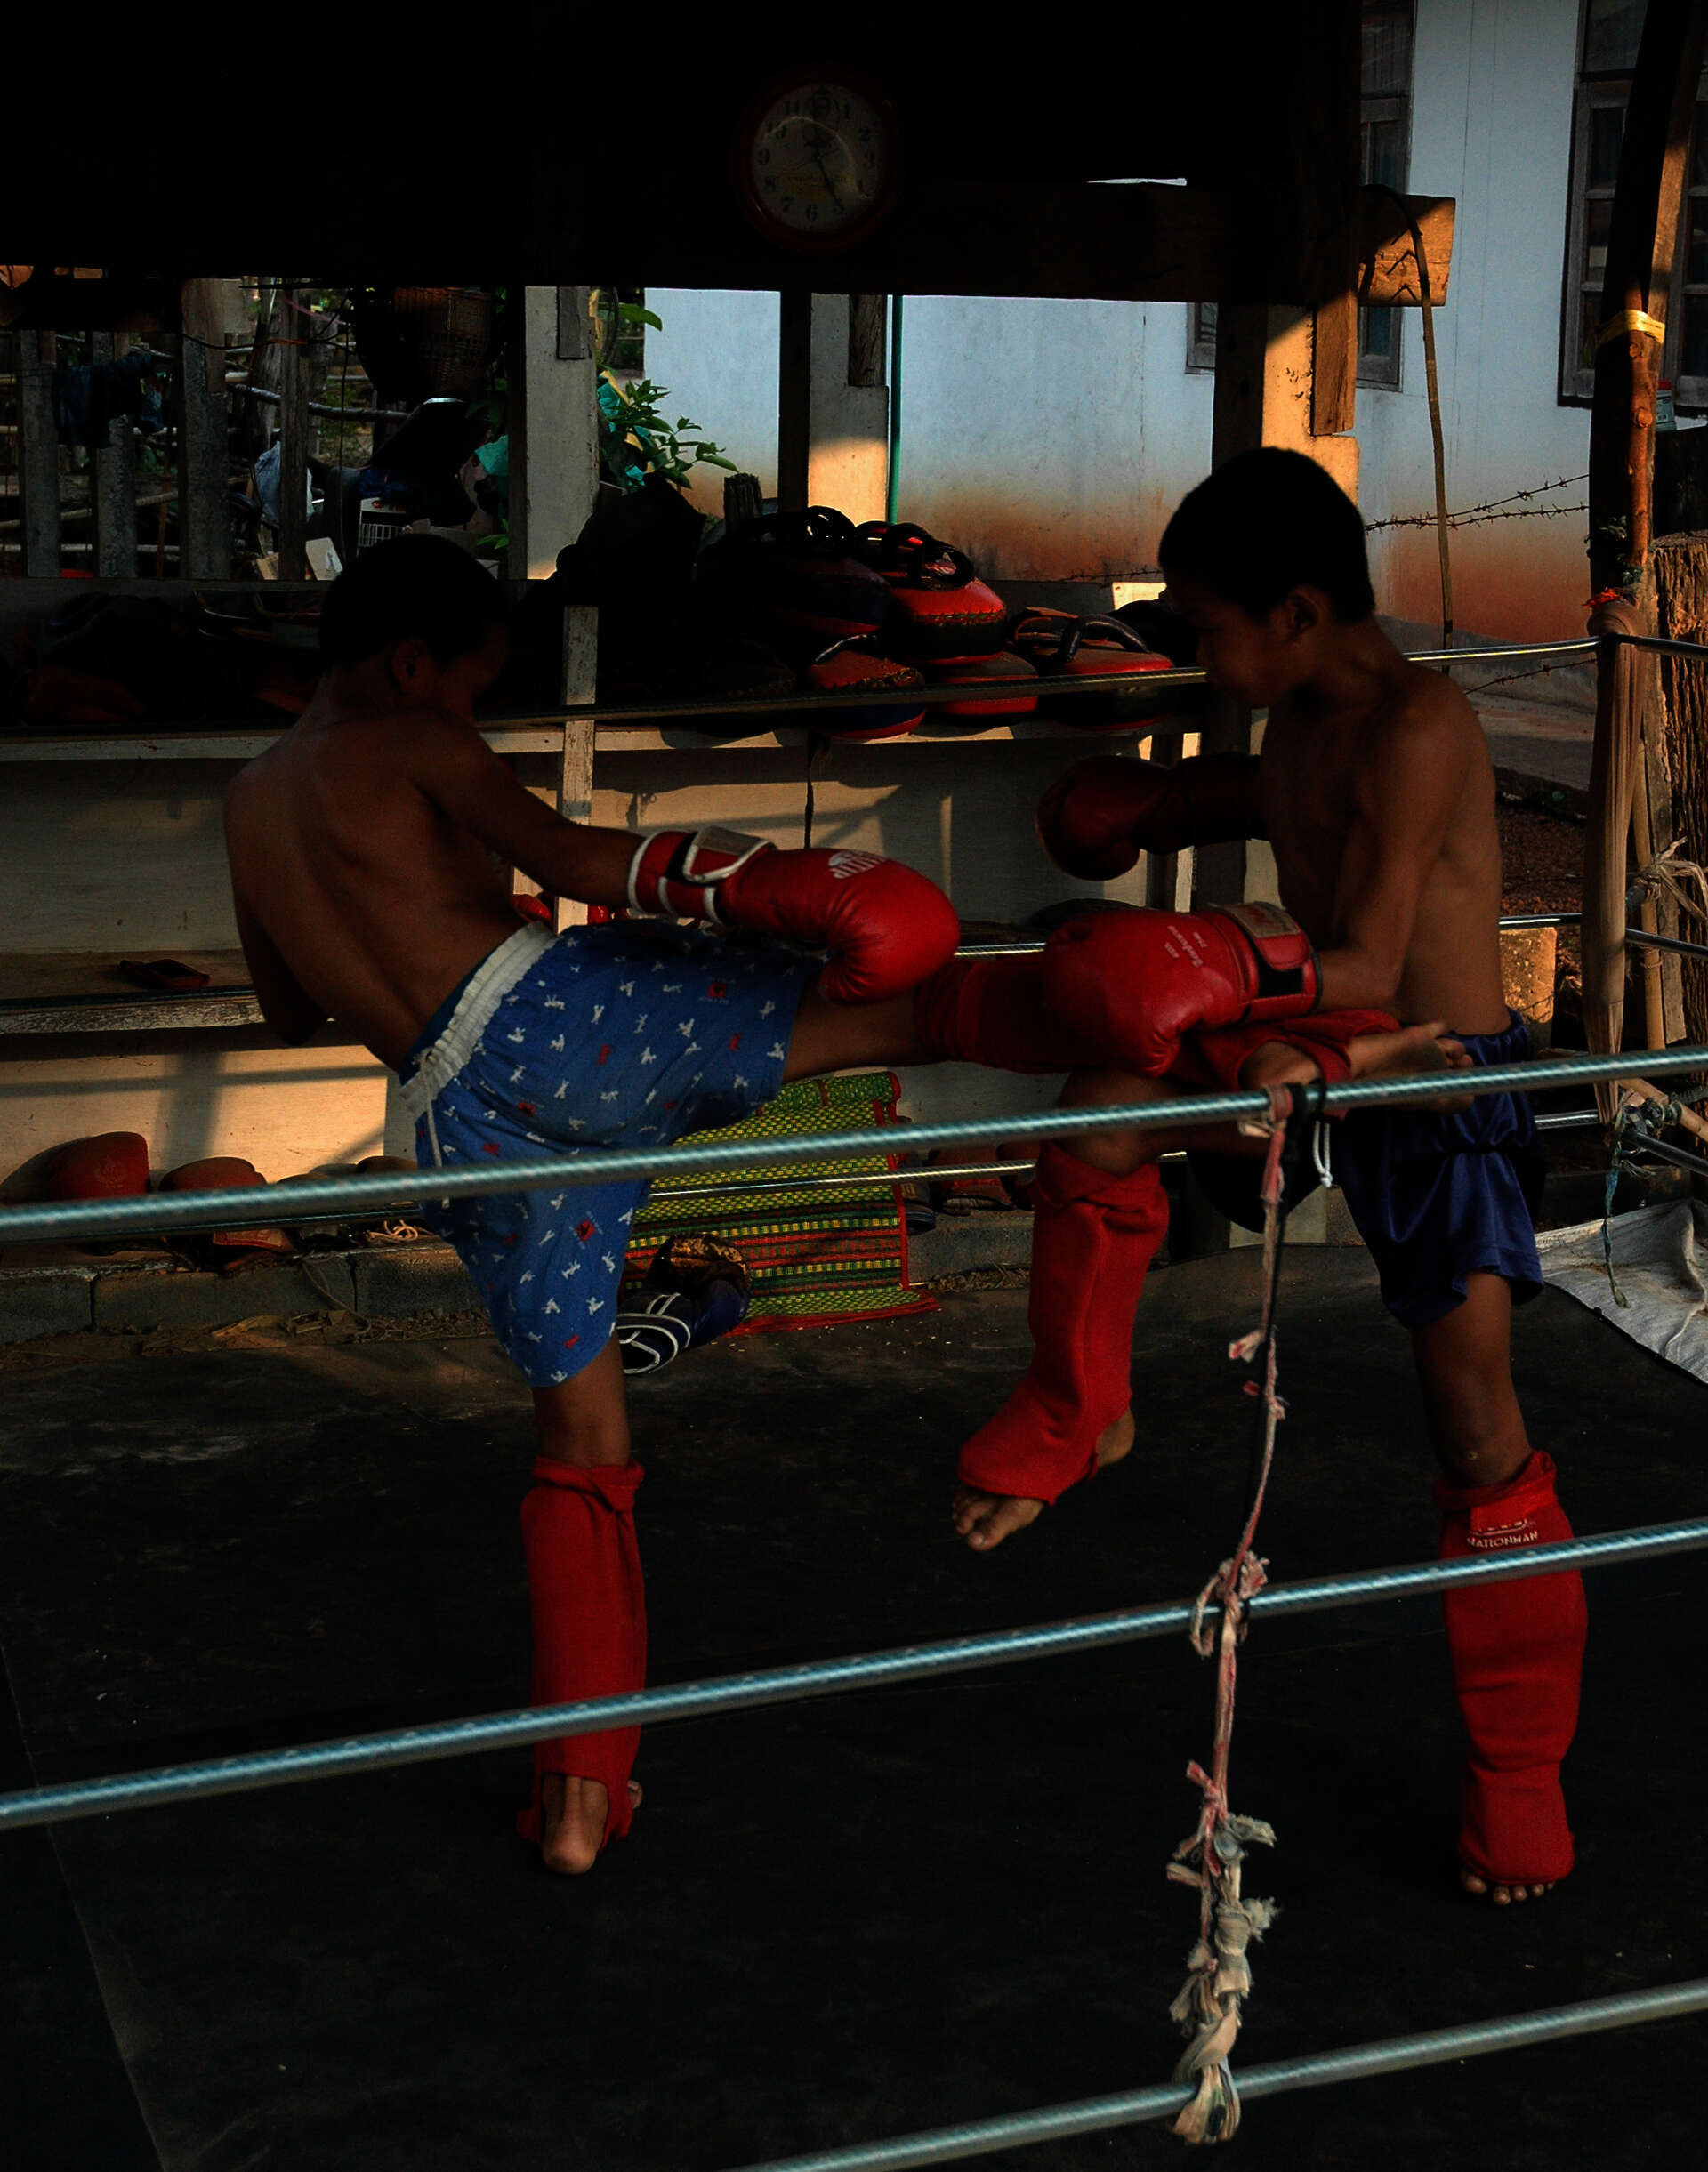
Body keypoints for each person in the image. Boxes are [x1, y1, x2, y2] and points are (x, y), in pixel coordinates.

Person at [224, 532, 1447, 1880]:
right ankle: (1293, 1052)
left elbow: (288, 1009)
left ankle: (578, 1799)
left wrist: (398, 929)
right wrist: (751, 878)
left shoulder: (250, 801)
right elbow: (569, 853)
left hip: (460, 1115)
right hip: (562, 1024)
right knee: (937, 997)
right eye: (470, 685)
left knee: (581, 1443)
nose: (469, 712)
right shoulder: (410, 737)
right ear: (413, 663)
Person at [911, 448, 1582, 1911]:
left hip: (1425, 1078)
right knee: (1101, 1113)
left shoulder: (1420, 723)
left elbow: (1376, 956)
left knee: (1475, 1428)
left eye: (1209, 625)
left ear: (1295, 610)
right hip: (1317, 1049)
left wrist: (1212, 961)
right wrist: (1138, 810)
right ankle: (1082, 1408)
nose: (1196, 654)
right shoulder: (1296, 716)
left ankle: (1521, 1776)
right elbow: (1270, 804)